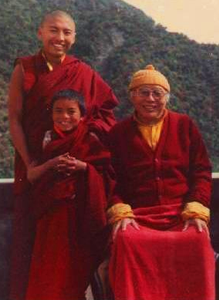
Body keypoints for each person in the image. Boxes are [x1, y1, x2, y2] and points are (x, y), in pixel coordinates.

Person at [8, 10, 118, 300]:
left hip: (76, 171)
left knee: (76, 251)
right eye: (53, 31)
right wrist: (31, 164)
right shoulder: (26, 69)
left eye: (67, 32)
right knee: (33, 246)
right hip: (37, 168)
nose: (60, 38)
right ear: (40, 33)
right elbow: (15, 120)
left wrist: (83, 137)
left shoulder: (82, 71)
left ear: (74, 37)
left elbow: (106, 114)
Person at [107, 65, 215, 300]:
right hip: (139, 216)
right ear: (132, 96)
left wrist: (195, 209)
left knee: (197, 239)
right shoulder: (118, 133)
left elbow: (202, 172)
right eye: (143, 92)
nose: (151, 99)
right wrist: (121, 213)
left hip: (179, 213)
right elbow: (109, 179)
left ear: (167, 97)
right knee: (126, 239)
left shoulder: (184, 125)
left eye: (157, 93)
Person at [23, 89, 113, 300]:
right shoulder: (45, 139)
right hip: (50, 213)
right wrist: (52, 163)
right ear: (51, 114)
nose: (64, 117)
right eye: (58, 111)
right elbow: (32, 175)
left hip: (79, 214)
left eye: (71, 111)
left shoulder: (90, 138)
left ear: (82, 115)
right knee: (51, 267)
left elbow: (107, 174)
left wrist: (83, 167)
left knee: (75, 268)